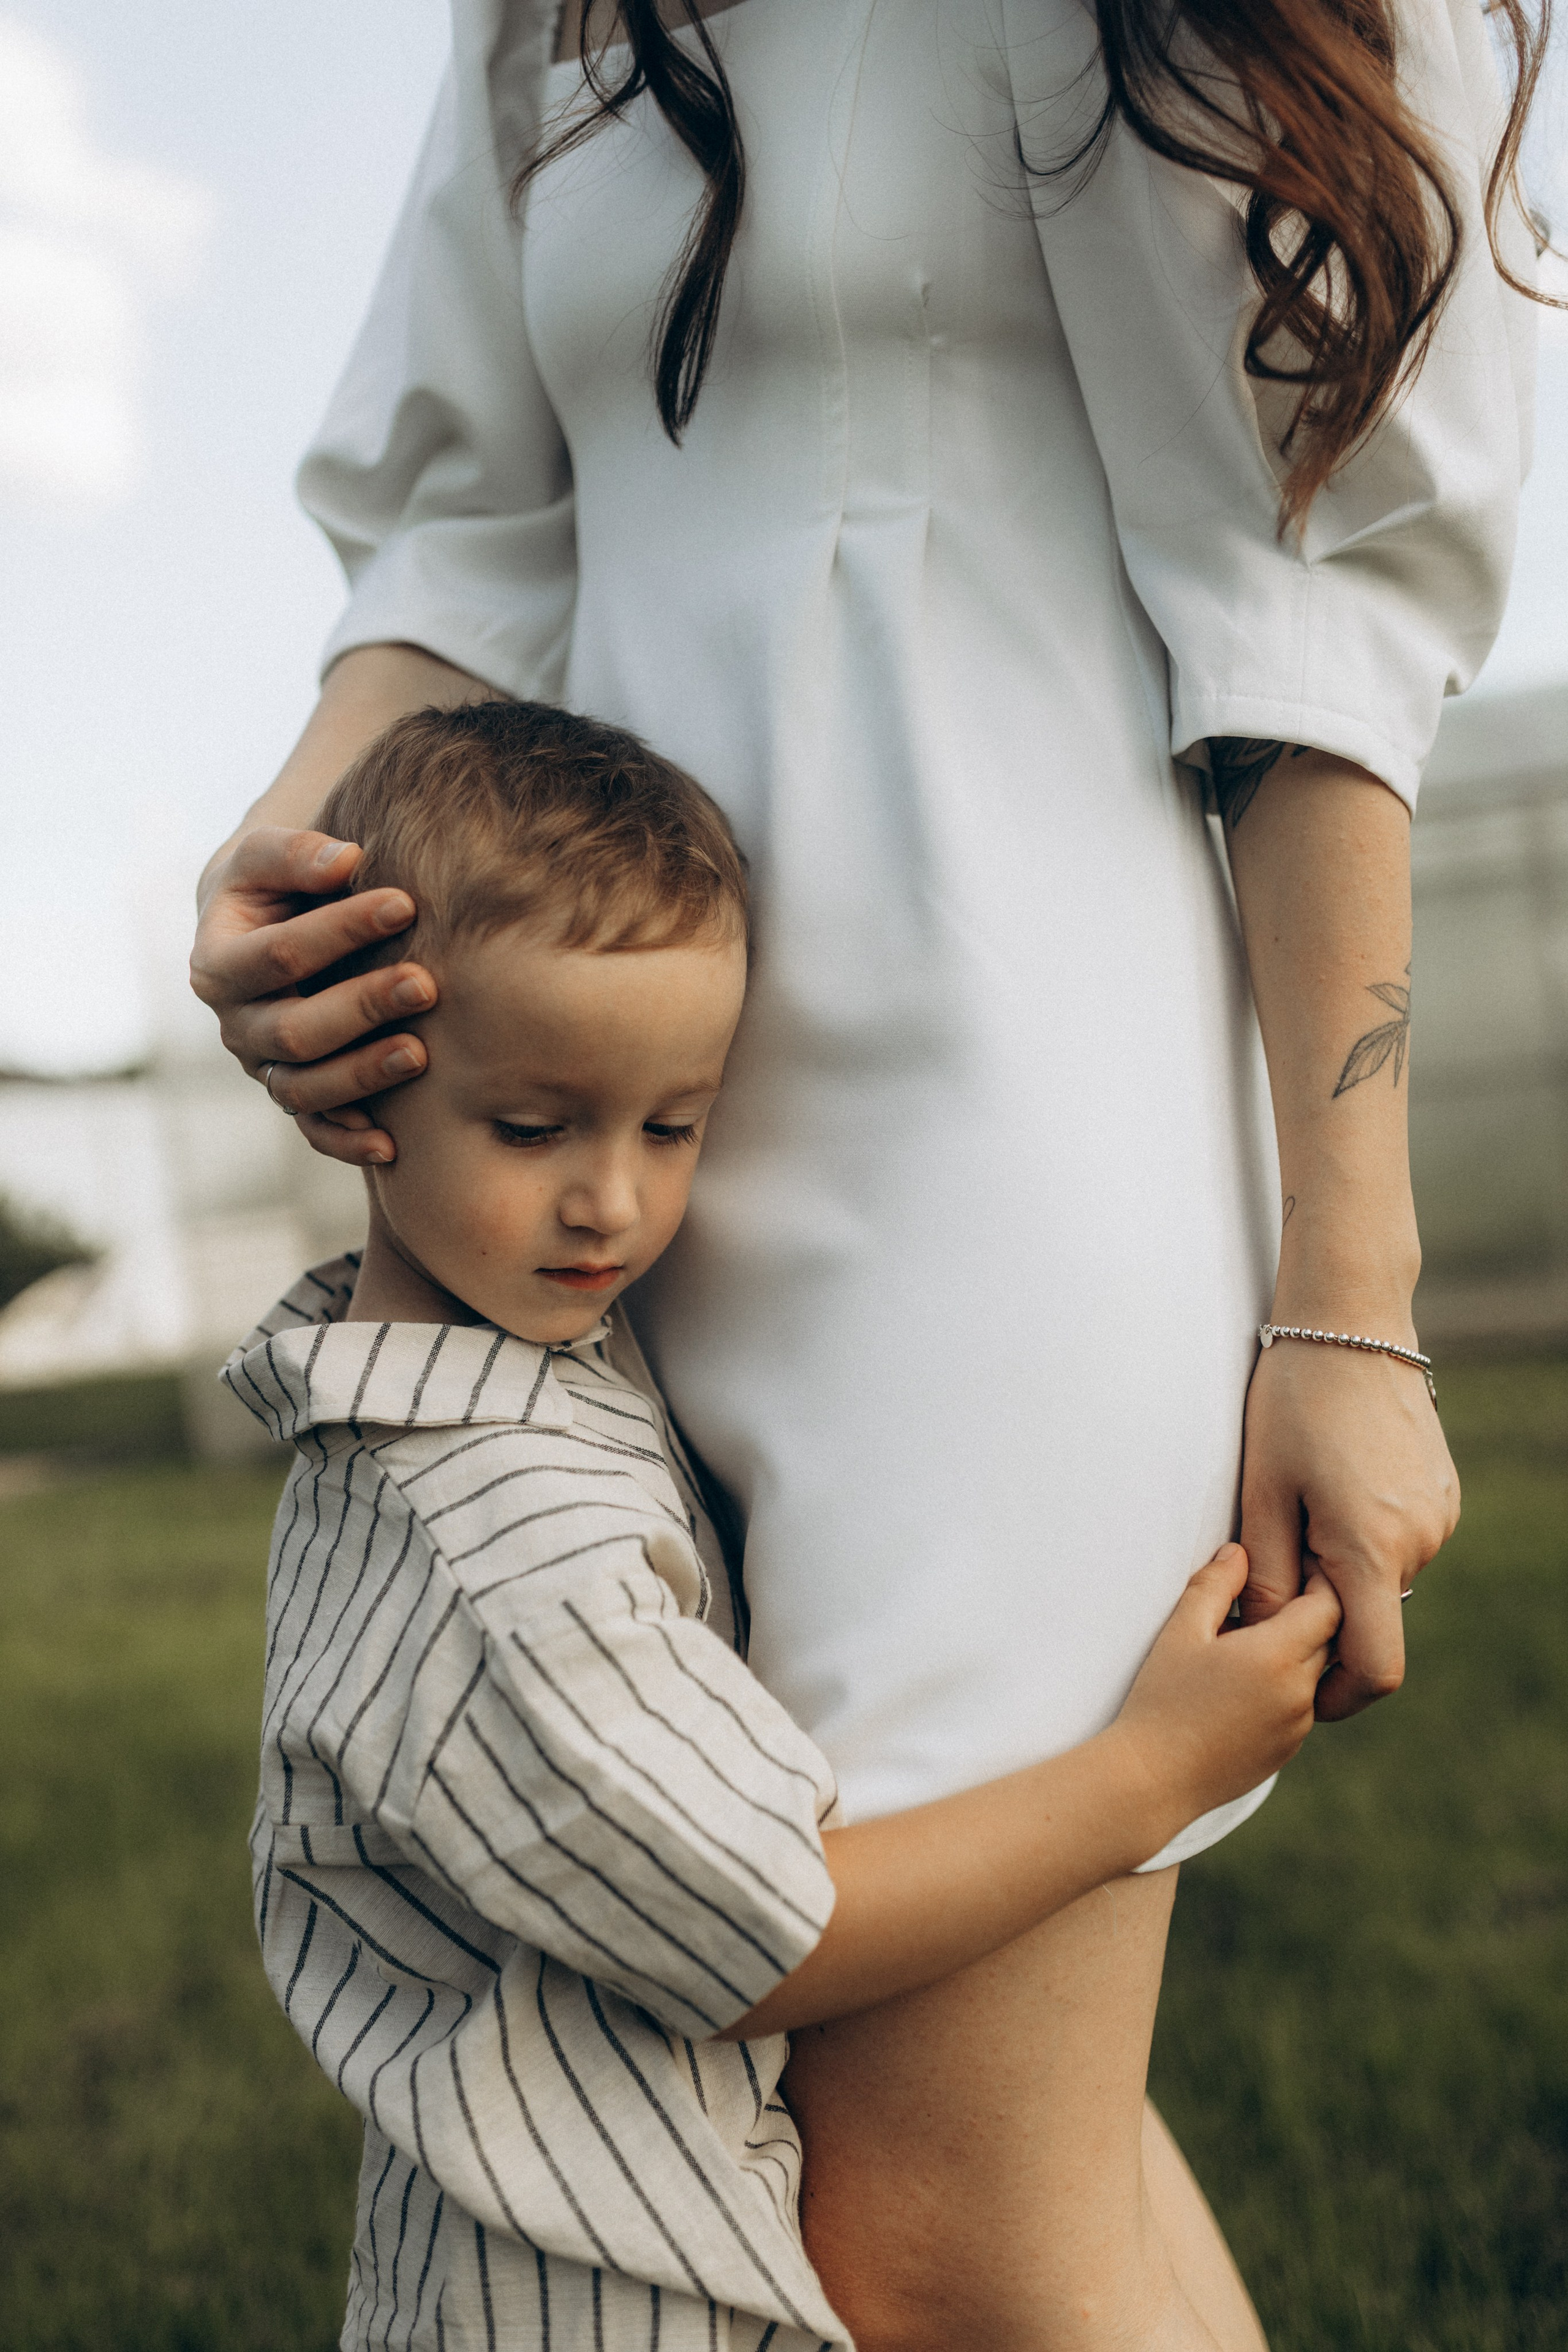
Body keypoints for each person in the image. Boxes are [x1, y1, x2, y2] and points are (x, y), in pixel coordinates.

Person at [191, 1, 1545, 2339]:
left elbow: (1325, 627)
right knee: (1023, 2165)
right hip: (600, 1156)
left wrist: (1353, 1286)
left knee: (930, 2236)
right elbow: (464, 522)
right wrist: (296, 848)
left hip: (1010, 1151)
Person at [224, 696, 1341, 2350]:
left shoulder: (491, 1374)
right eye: (533, 1127)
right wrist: (1148, 1773)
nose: (612, 1198)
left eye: (673, 1126)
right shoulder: (504, 1558)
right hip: (618, 2304)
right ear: (357, 1077)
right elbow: (771, 1936)